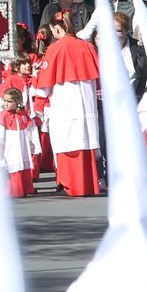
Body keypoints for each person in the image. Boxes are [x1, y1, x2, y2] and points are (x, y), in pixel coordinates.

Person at [32, 13, 101, 196]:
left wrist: (38, 103)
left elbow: (45, 81)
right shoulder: (87, 46)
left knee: (65, 140)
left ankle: (69, 184)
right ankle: (88, 183)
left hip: (64, 102)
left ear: (56, 29)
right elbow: (99, 78)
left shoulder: (55, 49)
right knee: (84, 140)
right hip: (86, 102)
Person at [0, 87, 38, 198]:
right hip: (10, 146)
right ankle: (13, 190)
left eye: (9, 101)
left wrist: (32, 145)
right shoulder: (3, 116)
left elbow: (30, 128)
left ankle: (25, 188)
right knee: (13, 164)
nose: (6, 104)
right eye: (5, 101)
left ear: (17, 102)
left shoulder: (22, 114)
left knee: (22, 162)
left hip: (21, 144)